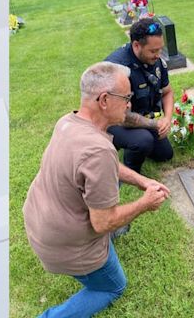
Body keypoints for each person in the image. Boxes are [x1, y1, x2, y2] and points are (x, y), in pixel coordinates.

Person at [23, 62, 170, 318]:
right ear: (104, 100)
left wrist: (142, 181)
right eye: (126, 97)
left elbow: (107, 165)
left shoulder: (69, 122)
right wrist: (145, 203)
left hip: (40, 219)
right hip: (63, 242)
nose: (129, 104)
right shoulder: (97, 151)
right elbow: (103, 223)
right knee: (113, 286)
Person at [105, 18, 174, 173]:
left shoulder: (157, 62)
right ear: (136, 45)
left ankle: (135, 142)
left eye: (160, 49)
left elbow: (167, 92)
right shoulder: (117, 68)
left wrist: (166, 119)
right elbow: (122, 116)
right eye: (153, 51)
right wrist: (155, 125)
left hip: (141, 118)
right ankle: (129, 168)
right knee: (143, 141)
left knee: (165, 154)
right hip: (112, 121)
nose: (158, 55)